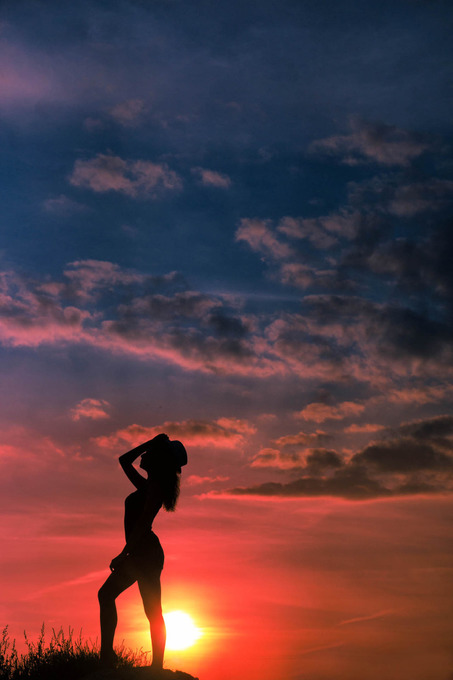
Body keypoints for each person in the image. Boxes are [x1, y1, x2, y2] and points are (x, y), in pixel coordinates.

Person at [98, 433, 187, 670]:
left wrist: (124, 554)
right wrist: (151, 442)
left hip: (145, 555)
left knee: (147, 609)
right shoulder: (147, 486)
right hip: (142, 554)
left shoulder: (154, 490)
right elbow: (123, 460)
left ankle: (147, 665)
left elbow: (141, 525)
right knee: (125, 602)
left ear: (159, 461)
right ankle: (109, 656)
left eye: (150, 453)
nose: (145, 455)